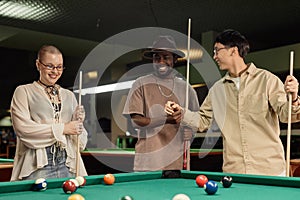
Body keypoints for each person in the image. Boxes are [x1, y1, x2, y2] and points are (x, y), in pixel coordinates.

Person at [165, 29, 300, 176]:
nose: (214, 56)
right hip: (235, 171)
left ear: (233, 50)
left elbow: (287, 116)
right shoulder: (217, 90)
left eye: (217, 50)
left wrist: (293, 97)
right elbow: (203, 121)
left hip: (269, 170)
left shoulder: (267, 79)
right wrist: (181, 113)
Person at [123, 36, 199, 177]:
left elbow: (198, 120)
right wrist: (166, 119)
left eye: (166, 57)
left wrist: (191, 131)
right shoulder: (140, 84)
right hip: (148, 162)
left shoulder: (186, 88)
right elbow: (136, 120)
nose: (161, 62)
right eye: (157, 58)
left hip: (177, 162)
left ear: (175, 59)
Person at [10, 45, 88, 181]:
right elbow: (23, 129)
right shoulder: (23, 91)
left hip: (67, 162)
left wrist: (78, 123)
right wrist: (64, 128)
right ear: (38, 64)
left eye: (59, 67)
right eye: (50, 66)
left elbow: (79, 142)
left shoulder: (69, 95)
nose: (55, 71)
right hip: (38, 163)